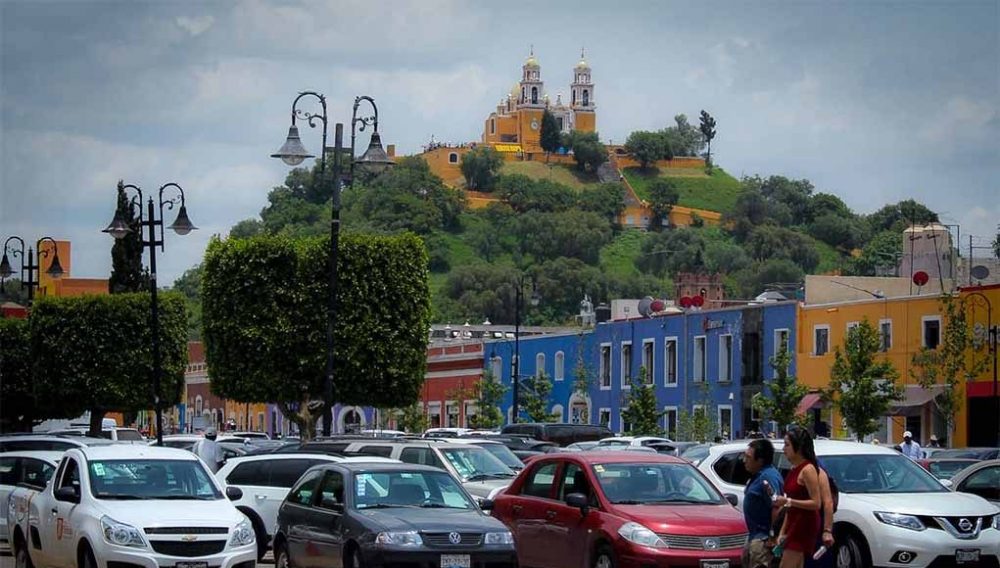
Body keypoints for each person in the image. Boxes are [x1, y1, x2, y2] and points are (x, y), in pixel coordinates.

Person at [775, 427, 822, 568]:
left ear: (799, 447)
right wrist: (782, 532)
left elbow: (816, 503)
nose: (784, 449)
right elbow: (790, 507)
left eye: (787, 445)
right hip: (793, 521)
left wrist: (788, 501)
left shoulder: (808, 469)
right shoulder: (794, 469)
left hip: (804, 525)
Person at [743, 439, 784, 568]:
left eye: (748, 457)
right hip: (754, 535)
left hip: (763, 539)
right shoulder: (758, 475)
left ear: (760, 460)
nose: (744, 461)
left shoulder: (768, 477)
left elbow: (776, 506)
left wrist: (772, 536)